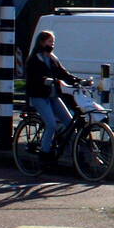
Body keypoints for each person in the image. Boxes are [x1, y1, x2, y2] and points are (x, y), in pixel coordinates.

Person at [25, 29, 87, 159]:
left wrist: (78, 80)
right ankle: (44, 152)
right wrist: (50, 81)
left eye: (53, 42)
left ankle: (74, 153)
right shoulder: (34, 59)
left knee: (69, 123)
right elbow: (35, 77)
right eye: (49, 42)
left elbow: (63, 73)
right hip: (39, 96)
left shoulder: (53, 58)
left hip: (53, 96)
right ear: (41, 42)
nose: (52, 45)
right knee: (51, 124)